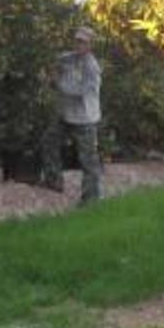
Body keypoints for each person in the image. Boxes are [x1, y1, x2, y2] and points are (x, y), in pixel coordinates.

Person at [41, 26, 103, 205]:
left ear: (91, 45)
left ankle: (90, 198)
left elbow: (79, 91)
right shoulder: (66, 58)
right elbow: (53, 67)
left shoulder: (92, 68)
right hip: (66, 115)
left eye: (83, 42)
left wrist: (57, 83)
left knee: (88, 160)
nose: (79, 44)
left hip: (85, 119)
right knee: (48, 142)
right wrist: (49, 75)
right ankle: (54, 182)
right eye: (77, 40)